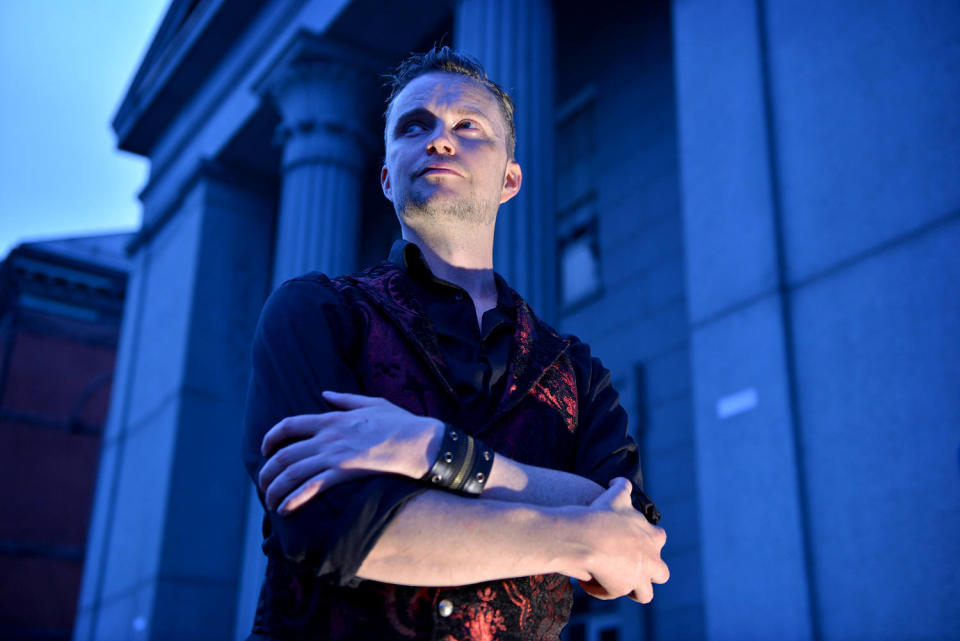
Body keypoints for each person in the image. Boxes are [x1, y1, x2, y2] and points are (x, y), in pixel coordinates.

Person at [242, 46, 669, 641]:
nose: (440, 140)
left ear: (510, 179)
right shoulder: (316, 313)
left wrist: (432, 450)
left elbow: (635, 543)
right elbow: (332, 527)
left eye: (468, 126)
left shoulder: (576, 372)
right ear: (388, 174)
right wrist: (580, 533)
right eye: (414, 126)